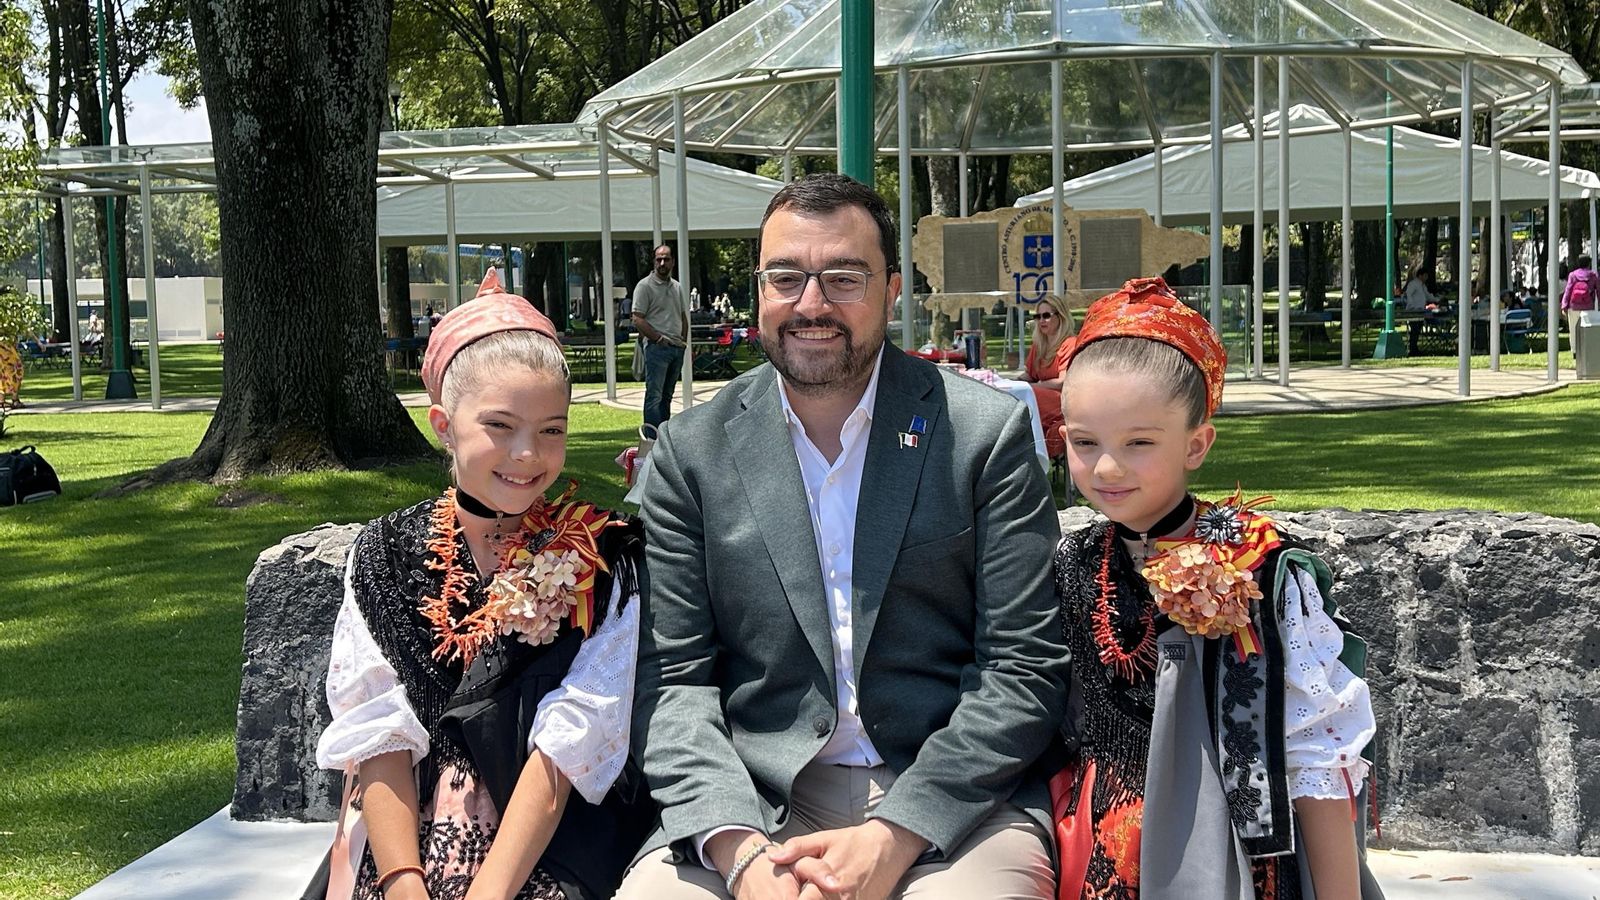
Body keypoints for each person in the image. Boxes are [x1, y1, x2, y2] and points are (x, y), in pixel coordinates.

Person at [618, 173, 1069, 900]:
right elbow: (675, 684)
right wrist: (742, 857)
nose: (812, 305)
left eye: (843, 278)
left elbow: (1023, 668)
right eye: (786, 277)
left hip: (953, 801)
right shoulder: (689, 454)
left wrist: (897, 836)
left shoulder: (984, 437)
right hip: (755, 799)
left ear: (893, 289)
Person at [305, 270, 649, 900]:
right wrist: (405, 883)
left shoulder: (601, 554)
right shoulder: (384, 555)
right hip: (402, 836)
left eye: (552, 429)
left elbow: (571, 744)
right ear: (443, 423)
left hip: (548, 833)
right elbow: (378, 731)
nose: (527, 455)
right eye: (499, 425)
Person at [1050, 277, 1381, 899]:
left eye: (1139, 443)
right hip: (1103, 843)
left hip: (1233, 846)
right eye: (1085, 443)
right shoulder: (1074, 559)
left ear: (1197, 443)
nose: (1108, 467)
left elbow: (1316, 750)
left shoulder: (1258, 564)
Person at [631, 245, 689, 428]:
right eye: (658, 259)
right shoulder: (645, 286)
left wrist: (683, 342)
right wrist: (657, 339)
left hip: (676, 348)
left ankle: (663, 438)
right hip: (657, 348)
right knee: (654, 396)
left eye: (666, 259)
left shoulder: (677, 287)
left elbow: (682, 316)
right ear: (654, 261)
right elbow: (637, 318)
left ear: (672, 261)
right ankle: (652, 439)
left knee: (667, 396)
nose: (662, 263)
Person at [1019, 294, 1078, 458]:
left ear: (1061, 316)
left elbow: (1062, 382)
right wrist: (1010, 382)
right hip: (1042, 397)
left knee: (1028, 395)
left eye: (1046, 316)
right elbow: (1029, 375)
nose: (1041, 321)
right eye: (1037, 317)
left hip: (1062, 401)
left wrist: (1033, 386)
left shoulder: (1070, 343)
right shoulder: (1039, 345)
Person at [1561, 253, 1597, 363]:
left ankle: (1575, 351)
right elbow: (1599, 290)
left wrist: (1564, 305)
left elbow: (1568, 290)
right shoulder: (1593, 275)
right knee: (1588, 329)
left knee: (1573, 330)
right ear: (1589, 263)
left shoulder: (1572, 275)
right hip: (1588, 306)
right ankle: (1587, 350)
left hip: (1574, 306)